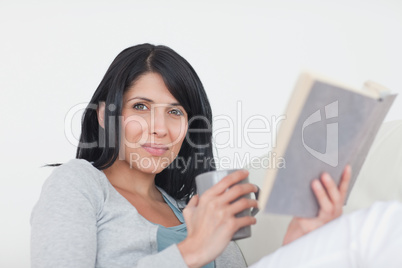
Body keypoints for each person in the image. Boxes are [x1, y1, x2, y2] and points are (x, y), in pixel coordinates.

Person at [31, 44, 402, 268]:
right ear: (105, 115)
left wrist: (300, 243)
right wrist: (192, 249)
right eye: (141, 106)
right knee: (381, 226)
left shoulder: (191, 208)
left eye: (175, 112)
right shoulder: (78, 183)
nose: (159, 128)